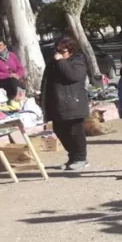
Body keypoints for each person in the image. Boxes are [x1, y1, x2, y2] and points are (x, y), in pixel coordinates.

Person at [40, 37, 90, 171]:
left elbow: (72, 76)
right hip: (57, 105)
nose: (59, 53)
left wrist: (61, 61)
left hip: (73, 104)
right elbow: (46, 83)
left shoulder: (78, 62)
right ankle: (72, 157)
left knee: (75, 132)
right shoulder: (53, 63)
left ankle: (81, 158)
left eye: (63, 51)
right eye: (58, 50)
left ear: (70, 50)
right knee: (61, 132)